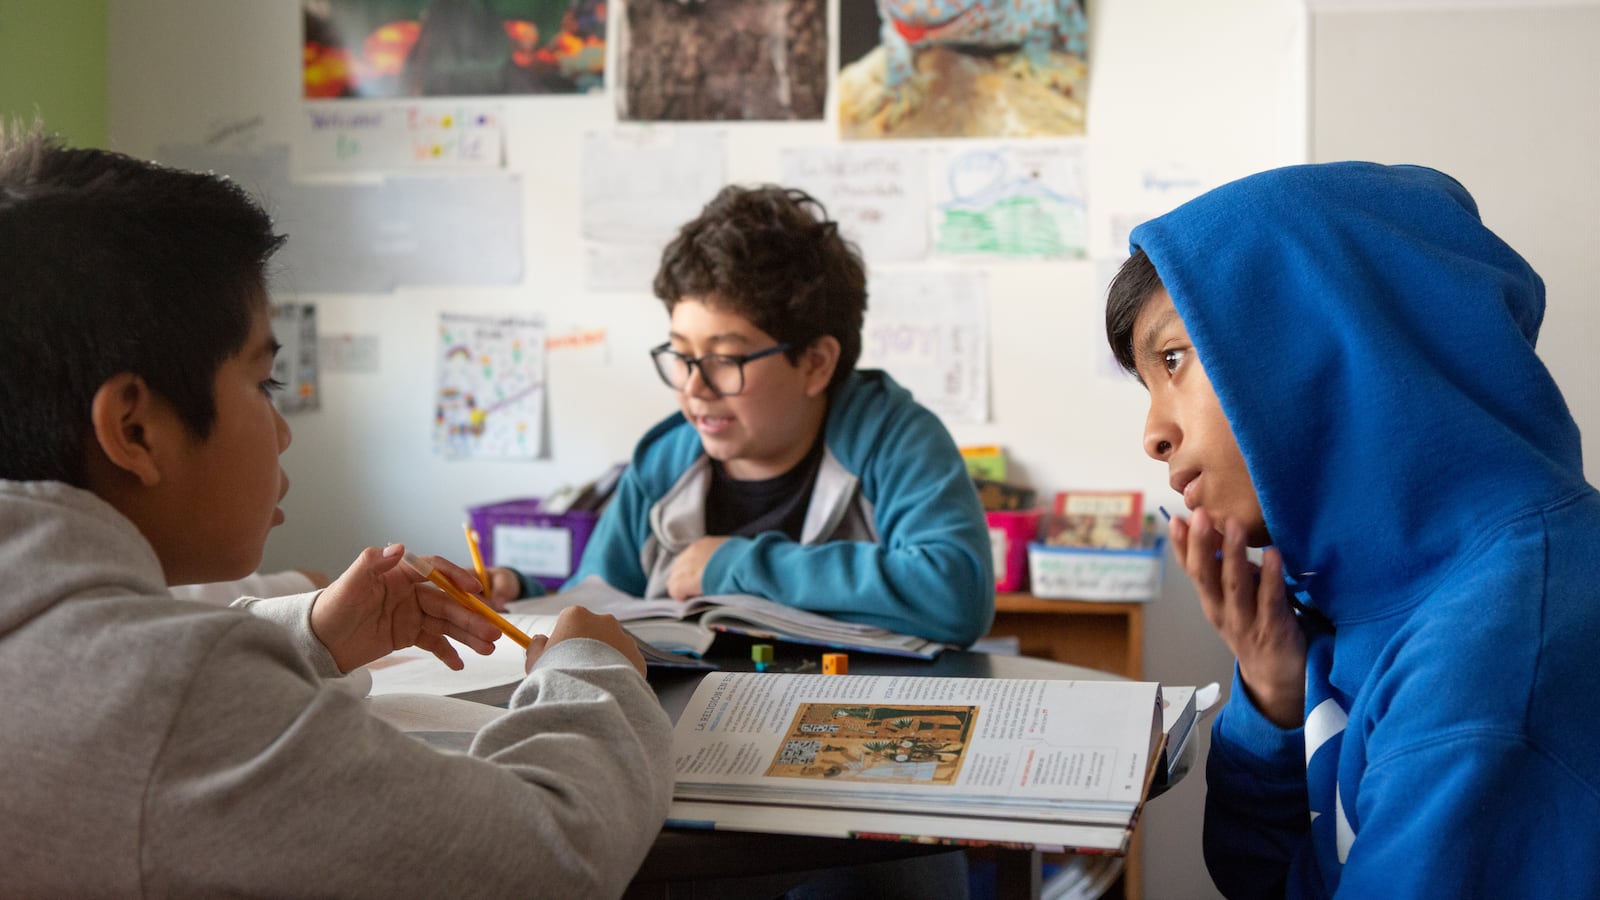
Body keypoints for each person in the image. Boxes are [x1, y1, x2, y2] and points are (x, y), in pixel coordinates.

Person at [0, 121, 674, 897]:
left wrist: (313, 633)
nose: (283, 430)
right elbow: (555, 853)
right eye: (264, 384)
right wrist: (593, 671)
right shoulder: (167, 694)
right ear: (134, 428)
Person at [1104, 161, 1600, 898]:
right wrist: (1273, 694)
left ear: (1325, 338)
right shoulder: (1373, 595)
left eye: (1173, 359)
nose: (1153, 434)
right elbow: (1272, 884)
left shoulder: (1490, 667)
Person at [489, 185, 995, 647]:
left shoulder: (893, 439)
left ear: (816, 364)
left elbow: (956, 595)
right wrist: (520, 594)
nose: (694, 387)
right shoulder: (664, 463)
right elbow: (599, 605)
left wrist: (733, 565)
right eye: (682, 355)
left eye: (724, 360)